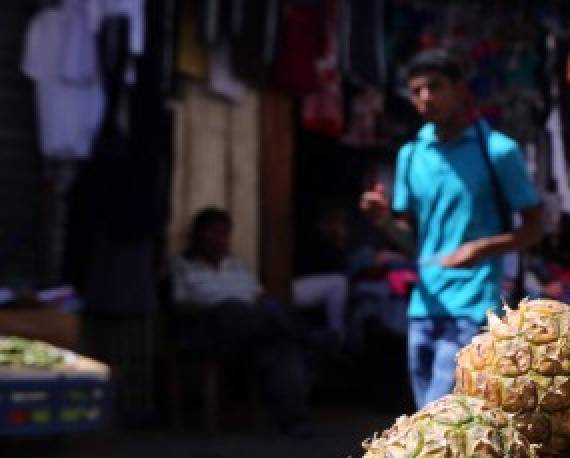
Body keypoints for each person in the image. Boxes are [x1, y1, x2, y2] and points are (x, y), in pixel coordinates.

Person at [360, 48, 543, 408]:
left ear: (460, 89)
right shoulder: (411, 155)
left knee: (437, 416)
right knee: (432, 422)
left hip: (475, 306)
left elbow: (535, 228)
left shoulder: (499, 151)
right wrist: (382, 219)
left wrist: (481, 249)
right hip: (423, 306)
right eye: (416, 91)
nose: (426, 98)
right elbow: (413, 243)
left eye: (435, 86)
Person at [171, 207, 312, 437]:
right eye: (213, 233)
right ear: (198, 235)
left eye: (224, 234)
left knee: (284, 347)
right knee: (235, 310)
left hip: (251, 330)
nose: (219, 240)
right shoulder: (183, 266)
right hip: (210, 327)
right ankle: (305, 335)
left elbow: (259, 296)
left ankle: (295, 420)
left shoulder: (237, 266)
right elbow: (180, 305)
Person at [294, 203, 351, 343]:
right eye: (337, 221)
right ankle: (337, 337)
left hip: (311, 288)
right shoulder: (312, 240)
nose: (341, 226)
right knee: (339, 283)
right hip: (291, 287)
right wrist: (339, 242)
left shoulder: (331, 242)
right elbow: (326, 266)